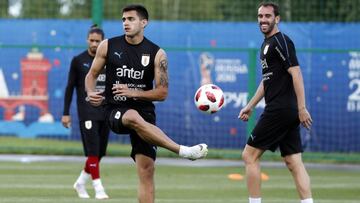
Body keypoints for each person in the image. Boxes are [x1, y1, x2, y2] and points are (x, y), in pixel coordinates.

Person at [84, 4, 208, 203]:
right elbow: (91, 75)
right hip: (115, 110)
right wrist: (90, 92)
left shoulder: (157, 54)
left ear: (144, 23)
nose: (126, 23)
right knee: (131, 115)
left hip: (145, 115)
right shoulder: (108, 45)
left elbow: (162, 93)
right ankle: (183, 151)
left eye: (131, 19)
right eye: (124, 19)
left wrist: (133, 92)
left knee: (147, 170)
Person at [238, 2, 314, 203]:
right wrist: (250, 105)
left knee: (249, 156)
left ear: (277, 19)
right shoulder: (266, 44)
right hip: (286, 111)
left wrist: (302, 108)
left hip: (280, 109)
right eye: (260, 16)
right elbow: (267, 80)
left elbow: (296, 73)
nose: (263, 20)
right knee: (293, 160)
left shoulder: (281, 41)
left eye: (268, 16)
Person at [62, 25, 110, 199]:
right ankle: (98, 188)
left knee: (100, 153)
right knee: (92, 151)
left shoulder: (109, 60)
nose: (94, 44)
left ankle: (80, 183)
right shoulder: (78, 60)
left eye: (98, 41)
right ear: (87, 40)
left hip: (106, 112)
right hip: (87, 112)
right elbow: (69, 88)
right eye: (92, 40)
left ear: (103, 41)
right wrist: (66, 113)